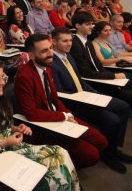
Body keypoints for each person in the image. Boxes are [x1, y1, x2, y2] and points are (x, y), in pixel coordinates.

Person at [0, 59, 80, 190]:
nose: (2, 82)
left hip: (10, 148)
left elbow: (2, 127)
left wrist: (16, 128)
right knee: (50, 170)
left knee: (61, 152)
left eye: (3, 77)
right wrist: (5, 142)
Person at [14, 33, 108, 170]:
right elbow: (31, 113)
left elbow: (54, 99)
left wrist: (68, 114)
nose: (50, 53)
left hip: (57, 117)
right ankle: (65, 172)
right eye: (44, 51)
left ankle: (68, 161)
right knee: (91, 155)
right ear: (32, 55)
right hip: (42, 126)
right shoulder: (24, 76)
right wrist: (63, 116)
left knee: (101, 142)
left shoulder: (46, 66)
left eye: (50, 48)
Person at [51, 27, 132, 173]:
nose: (69, 44)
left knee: (124, 106)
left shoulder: (69, 57)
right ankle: (108, 154)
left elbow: (80, 81)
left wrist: (96, 94)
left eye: (70, 40)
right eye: (64, 41)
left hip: (86, 95)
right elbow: (60, 93)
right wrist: (89, 99)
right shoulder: (52, 62)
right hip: (75, 103)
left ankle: (114, 148)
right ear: (54, 42)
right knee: (112, 120)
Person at [69, 11, 132, 107]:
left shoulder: (87, 42)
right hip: (93, 82)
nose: (91, 26)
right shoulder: (75, 44)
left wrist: (112, 75)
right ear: (77, 25)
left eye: (92, 24)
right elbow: (85, 72)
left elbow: (98, 65)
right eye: (88, 24)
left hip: (100, 76)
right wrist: (113, 76)